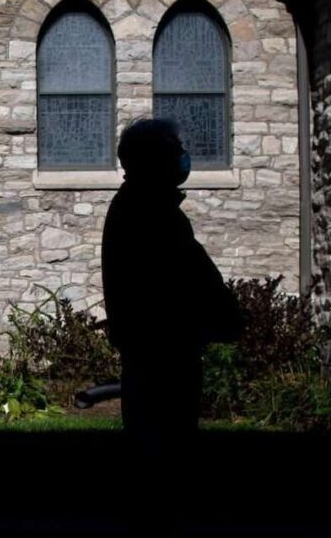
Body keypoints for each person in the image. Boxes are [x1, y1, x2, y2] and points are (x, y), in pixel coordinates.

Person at [102, 118, 241, 454]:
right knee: (165, 443)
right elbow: (184, 278)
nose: (183, 157)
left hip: (158, 349)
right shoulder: (149, 213)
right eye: (176, 150)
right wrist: (223, 313)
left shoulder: (144, 206)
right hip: (162, 351)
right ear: (156, 159)